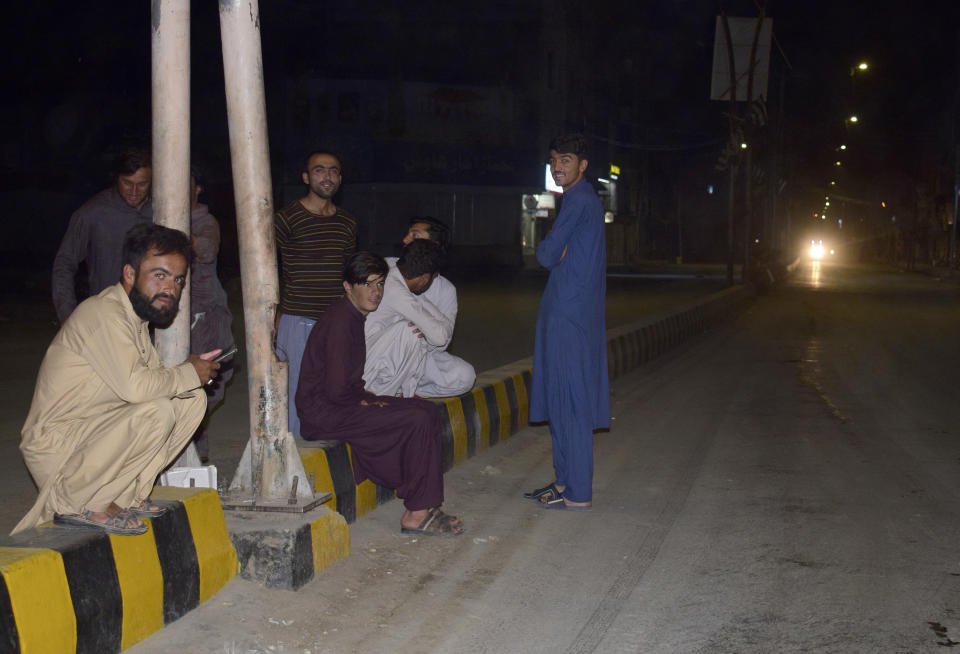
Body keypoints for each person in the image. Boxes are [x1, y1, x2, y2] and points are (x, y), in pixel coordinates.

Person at [13, 223, 222, 535]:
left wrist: (189, 378)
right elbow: (137, 387)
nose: (170, 288)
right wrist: (189, 372)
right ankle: (81, 500)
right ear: (129, 274)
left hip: (92, 432)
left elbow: (154, 382)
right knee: (157, 411)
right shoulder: (102, 314)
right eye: (159, 275)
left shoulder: (135, 321)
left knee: (191, 400)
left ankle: (127, 497)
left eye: (178, 280)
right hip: (59, 445)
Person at [297, 251, 464, 536]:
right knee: (416, 418)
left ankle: (422, 502)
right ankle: (417, 513)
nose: (375, 292)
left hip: (340, 404)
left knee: (424, 411)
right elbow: (336, 388)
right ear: (348, 287)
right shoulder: (341, 321)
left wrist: (370, 399)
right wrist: (368, 402)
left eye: (380, 284)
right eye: (366, 284)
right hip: (325, 413)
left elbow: (347, 382)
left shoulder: (353, 316)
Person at [525, 133, 610, 511]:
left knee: (571, 401)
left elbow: (544, 254)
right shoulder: (579, 199)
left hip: (568, 313)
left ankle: (577, 493)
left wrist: (553, 249)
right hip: (571, 309)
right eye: (554, 160)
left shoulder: (579, 201)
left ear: (583, 165)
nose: (558, 167)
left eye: (567, 160)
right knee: (561, 398)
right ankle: (564, 482)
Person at [274, 151, 358, 439]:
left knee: (333, 388)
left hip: (334, 322)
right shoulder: (287, 219)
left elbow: (347, 273)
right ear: (307, 178)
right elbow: (265, 268)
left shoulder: (347, 222)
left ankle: (322, 452)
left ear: (340, 178)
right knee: (298, 392)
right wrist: (272, 317)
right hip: (298, 320)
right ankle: (293, 460)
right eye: (320, 170)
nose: (327, 176)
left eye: (334, 171)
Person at [52, 146, 153, 322]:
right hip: (108, 316)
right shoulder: (92, 213)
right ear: (116, 178)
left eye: (142, 184)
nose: (134, 192)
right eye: (127, 183)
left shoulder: (164, 209)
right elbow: (64, 264)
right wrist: (67, 316)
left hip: (153, 317)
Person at [364, 238, 475, 398]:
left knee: (463, 376)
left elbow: (441, 340)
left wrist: (430, 325)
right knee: (409, 332)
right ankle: (380, 397)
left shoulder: (397, 274)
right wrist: (430, 327)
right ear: (424, 278)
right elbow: (440, 337)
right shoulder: (393, 287)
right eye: (433, 277)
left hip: (401, 358)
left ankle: (402, 390)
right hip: (369, 362)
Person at [188, 167, 235, 463]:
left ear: (197, 189)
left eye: (186, 185)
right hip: (167, 316)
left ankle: (195, 447)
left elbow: (205, 250)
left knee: (210, 381)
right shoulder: (149, 217)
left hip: (205, 316)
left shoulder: (205, 222)